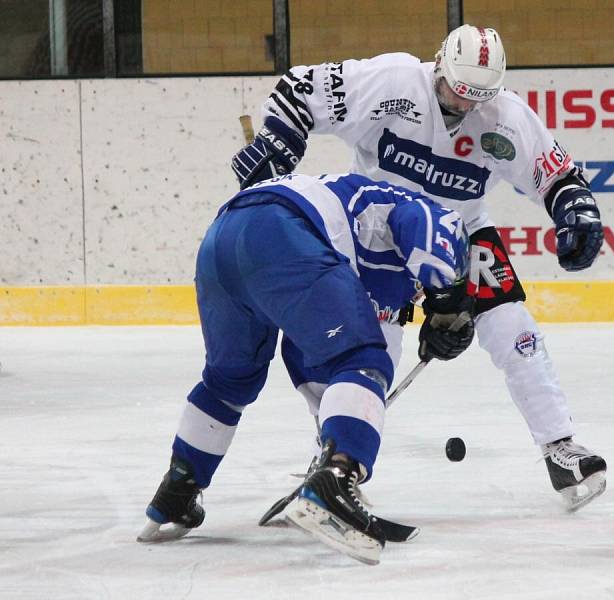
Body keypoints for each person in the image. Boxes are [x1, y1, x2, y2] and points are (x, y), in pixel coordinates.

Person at [231, 25, 607, 511]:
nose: (463, 107)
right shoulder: (391, 83)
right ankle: (334, 459)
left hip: (463, 229)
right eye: (455, 90)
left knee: (513, 325)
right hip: (379, 231)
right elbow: (301, 87)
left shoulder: (505, 116)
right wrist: (277, 142)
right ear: (438, 65)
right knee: (367, 354)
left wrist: (575, 210)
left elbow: (555, 175)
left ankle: (561, 447)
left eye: (477, 98)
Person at [138, 172, 474, 565]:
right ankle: (336, 479)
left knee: (229, 381)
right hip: (280, 231)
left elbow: (311, 357)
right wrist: (449, 306)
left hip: (221, 240)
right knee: (364, 358)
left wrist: (331, 432)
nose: (416, 294)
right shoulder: (424, 212)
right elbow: (431, 226)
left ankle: (178, 491)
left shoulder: (350, 239)